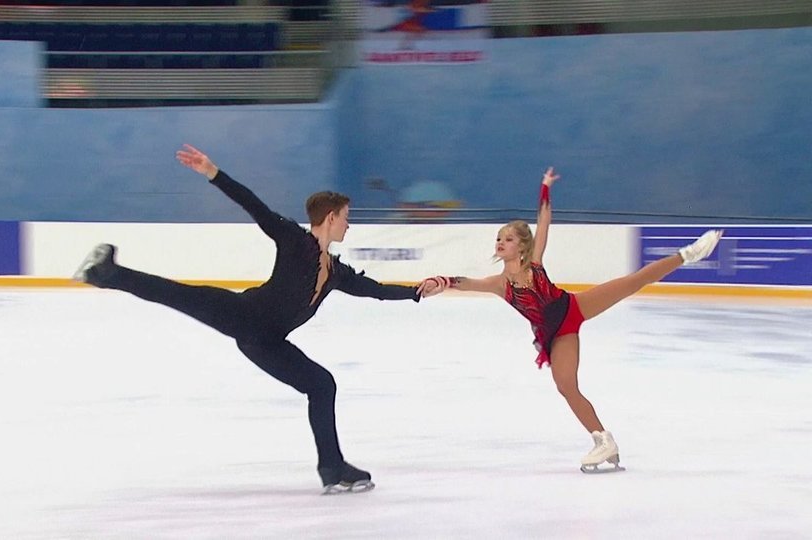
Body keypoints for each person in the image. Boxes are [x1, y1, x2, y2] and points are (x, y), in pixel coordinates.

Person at [74, 144, 435, 493]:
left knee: (322, 385)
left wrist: (416, 292)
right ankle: (106, 273)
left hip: (267, 342)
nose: (348, 225)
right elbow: (254, 206)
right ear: (330, 217)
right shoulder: (294, 240)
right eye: (345, 217)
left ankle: (332, 468)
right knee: (181, 294)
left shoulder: (335, 271)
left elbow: (373, 289)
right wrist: (212, 173)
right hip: (243, 314)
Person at [418, 167, 722, 473]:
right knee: (566, 386)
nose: (500, 242)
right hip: (556, 334)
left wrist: (545, 187)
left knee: (632, 282)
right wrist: (439, 282)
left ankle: (687, 254)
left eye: (508, 239)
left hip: (574, 308)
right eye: (499, 238)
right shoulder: (499, 284)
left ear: (522, 246)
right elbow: (466, 282)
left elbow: (544, 221)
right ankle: (603, 440)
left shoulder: (534, 264)